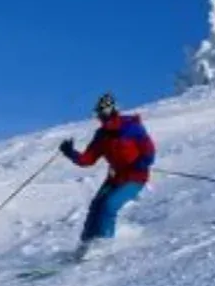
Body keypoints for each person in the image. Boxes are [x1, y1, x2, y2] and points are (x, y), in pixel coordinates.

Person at [59, 93, 155, 257]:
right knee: (96, 206)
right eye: (98, 113)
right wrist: (70, 153)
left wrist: (140, 163)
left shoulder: (131, 127)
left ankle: (103, 244)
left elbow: (149, 151)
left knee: (109, 206)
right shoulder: (102, 135)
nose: (100, 117)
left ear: (112, 110)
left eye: (103, 113)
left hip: (135, 177)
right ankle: (85, 246)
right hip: (115, 178)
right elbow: (88, 159)